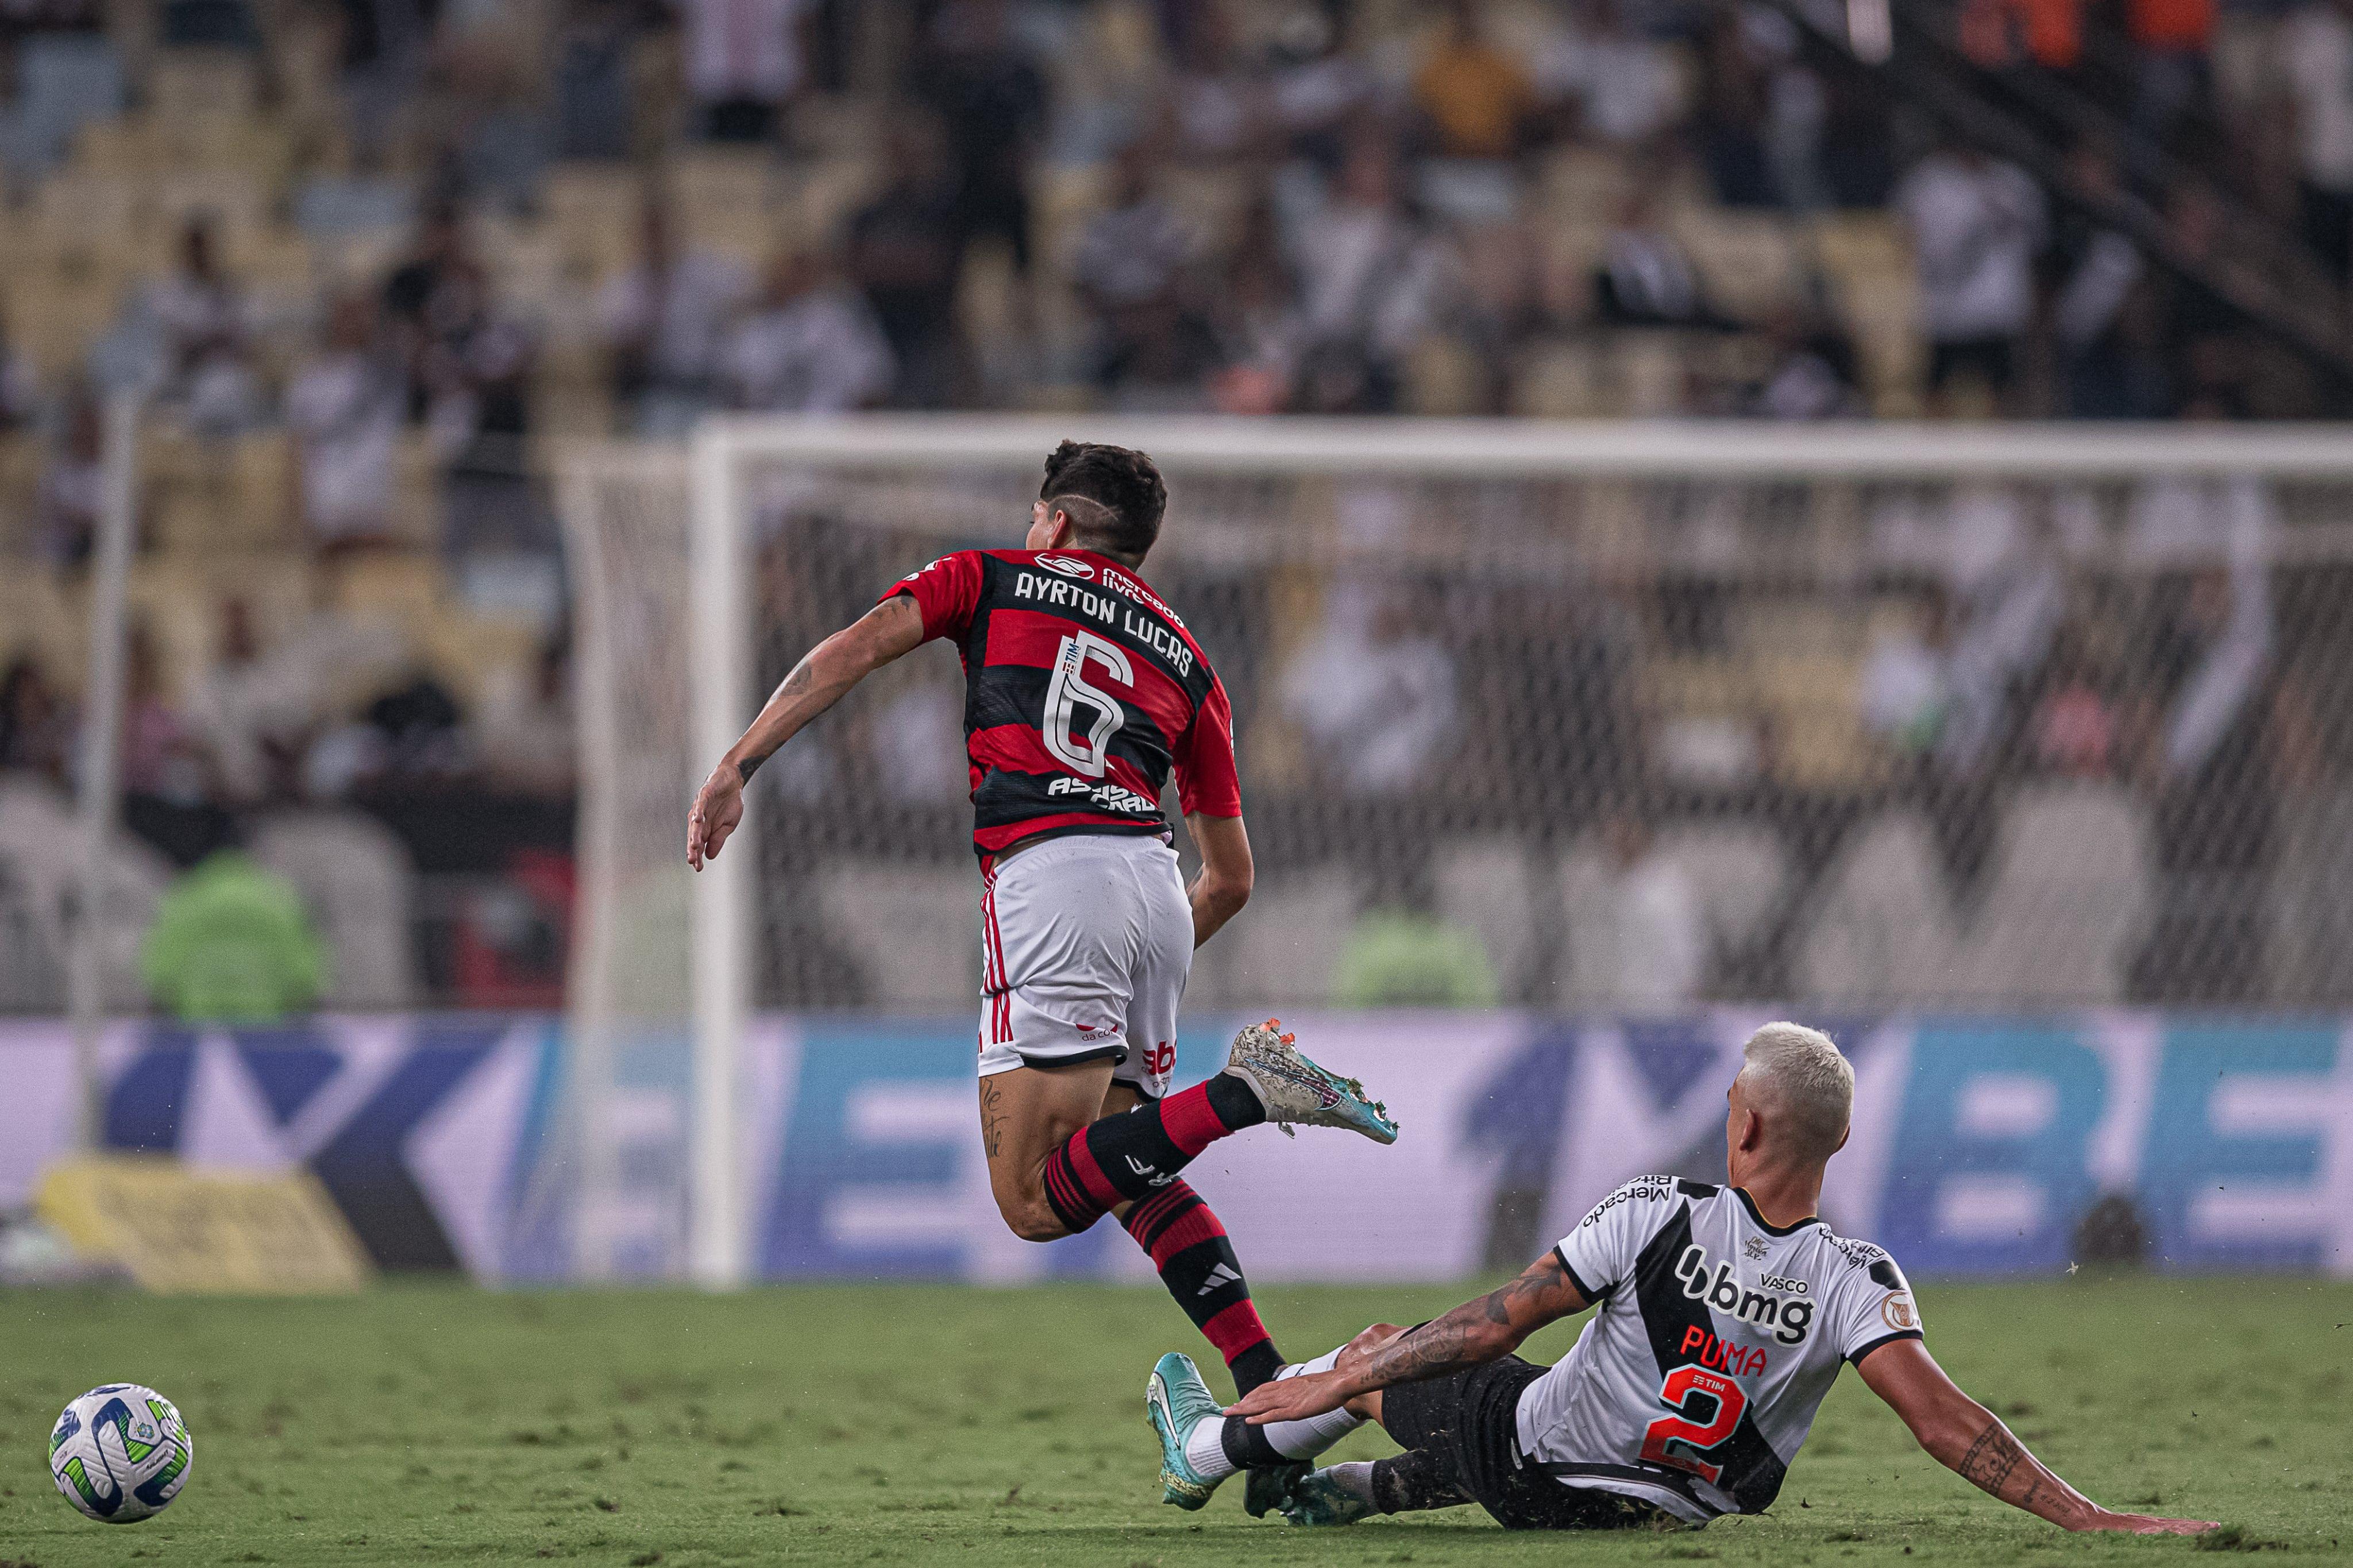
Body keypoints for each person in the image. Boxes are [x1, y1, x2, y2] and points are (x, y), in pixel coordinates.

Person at [685, 441, 1399, 1396]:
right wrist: (1157, 942)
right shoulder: (1189, 660)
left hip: (1052, 877)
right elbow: (1231, 877)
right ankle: (1267, 1384)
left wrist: (740, 760)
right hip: (1157, 889)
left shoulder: (989, 577)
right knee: (1125, 1167)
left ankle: (1244, 1092)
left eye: (1037, 516)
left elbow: (853, 648)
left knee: (1032, 1198)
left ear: (1055, 522)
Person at [1143, 1023, 2217, 1539]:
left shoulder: (1660, 1207)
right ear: (1833, 1147)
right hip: (1658, 1515)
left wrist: (1345, 1380)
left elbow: (1489, 1323)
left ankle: (1202, 1454)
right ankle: (1352, 1491)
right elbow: (1946, 1423)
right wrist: (2089, 1519)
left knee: (1397, 1350)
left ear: (1745, 1120)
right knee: (1512, 1402)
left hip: (1540, 1472)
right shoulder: (1859, 1276)